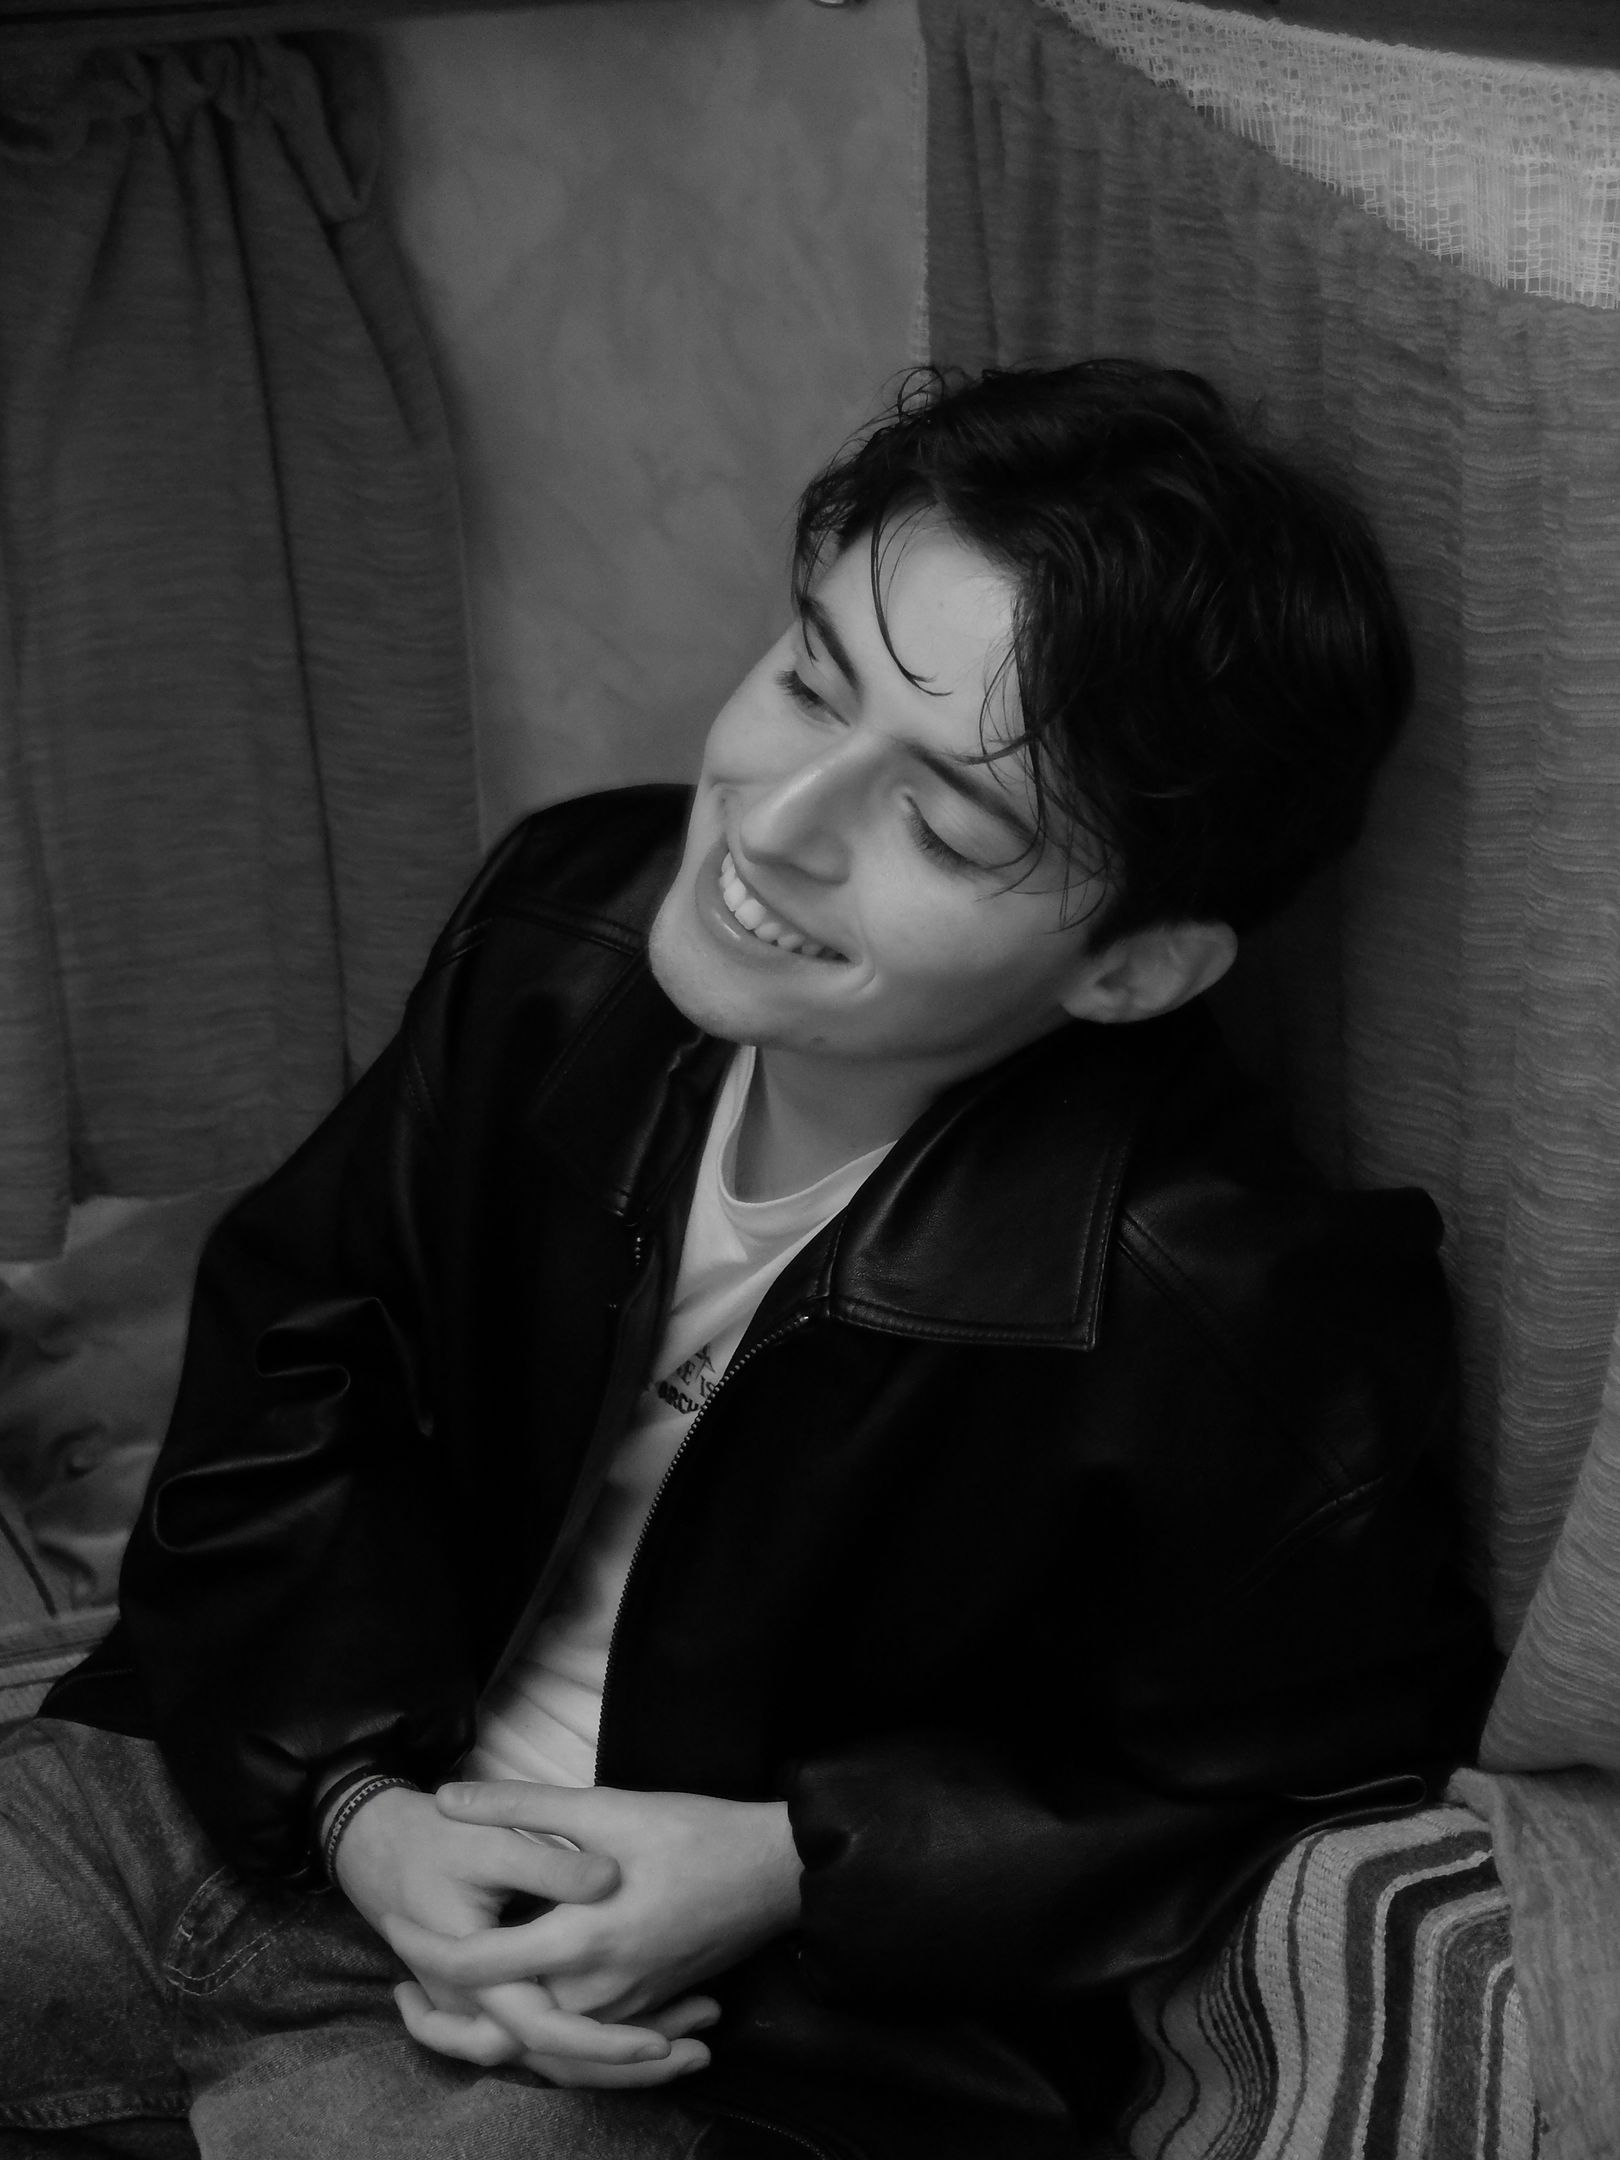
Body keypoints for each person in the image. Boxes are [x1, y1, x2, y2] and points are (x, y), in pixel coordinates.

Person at [1, 361, 1494, 2160]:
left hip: (711, 2020)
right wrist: (355, 1807)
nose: (771, 826)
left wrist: (793, 1863)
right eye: (808, 681)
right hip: (265, 1799)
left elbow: (1313, 1754)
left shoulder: (1235, 1303)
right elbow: (298, 1358)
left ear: (1133, 968)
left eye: (943, 824)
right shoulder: (563, 927)